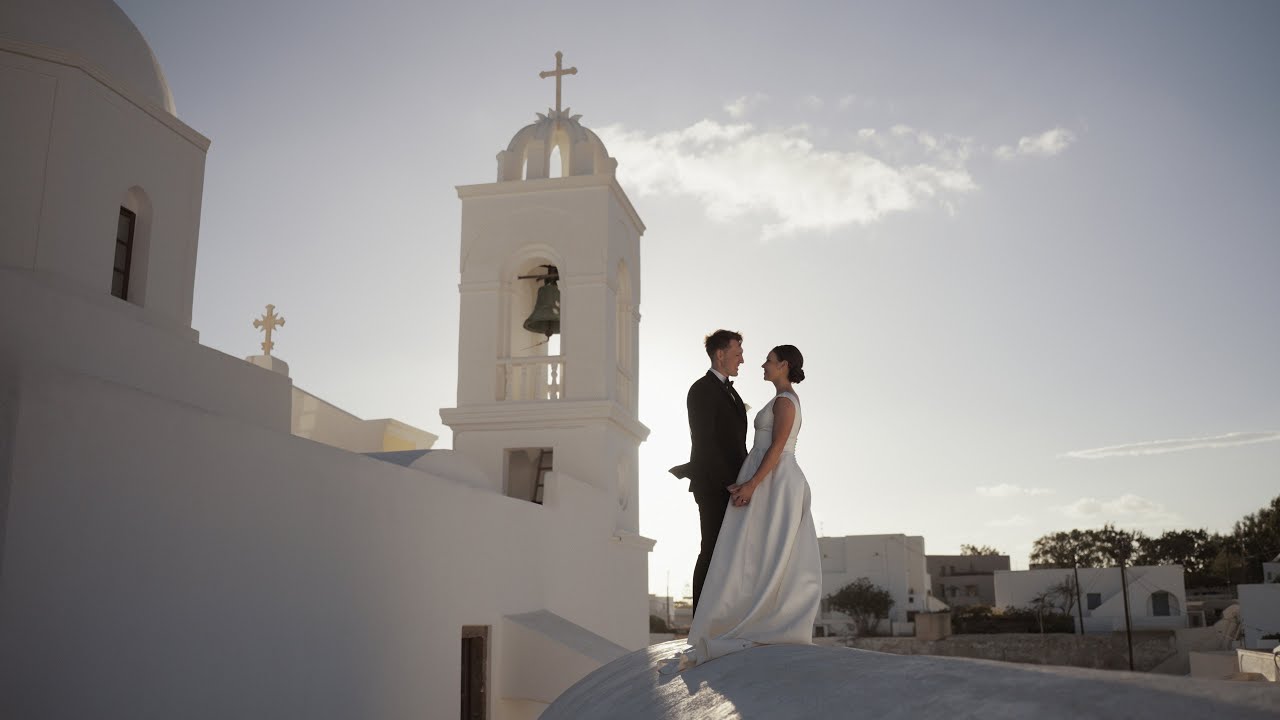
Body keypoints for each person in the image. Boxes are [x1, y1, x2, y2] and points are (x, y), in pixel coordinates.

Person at [672, 344, 821, 671]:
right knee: (751, 550)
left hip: (776, 482)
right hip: (765, 479)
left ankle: (758, 617)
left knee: (765, 550)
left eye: (769, 361)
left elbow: (778, 448)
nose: (762, 365)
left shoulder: (785, 401)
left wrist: (752, 484)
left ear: (784, 365)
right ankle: (739, 614)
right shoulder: (779, 399)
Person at [669, 330, 747, 615]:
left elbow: (736, 444)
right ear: (720, 354)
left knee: (730, 552)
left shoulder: (731, 391)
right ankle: (701, 620)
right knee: (712, 550)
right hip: (714, 485)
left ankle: (724, 615)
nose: (742, 360)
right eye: (737, 353)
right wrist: (729, 484)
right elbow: (705, 441)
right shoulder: (701, 389)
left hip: (734, 484)